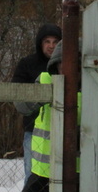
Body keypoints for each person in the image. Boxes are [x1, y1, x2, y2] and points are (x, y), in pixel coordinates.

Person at [5, 40, 70, 192]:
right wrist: (41, 94)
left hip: (78, 174)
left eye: (72, 62)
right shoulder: (45, 80)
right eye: (62, 62)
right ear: (55, 64)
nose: (67, 67)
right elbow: (21, 105)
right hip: (44, 172)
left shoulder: (94, 85)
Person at [11, 24, 62, 181]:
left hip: (64, 129)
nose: (51, 46)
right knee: (33, 176)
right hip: (34, 131)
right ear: (40, 43)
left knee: (62, 176)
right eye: (47, 41)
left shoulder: (69, 65)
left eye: (55, 42)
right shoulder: (27, 64)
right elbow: (16, 93)